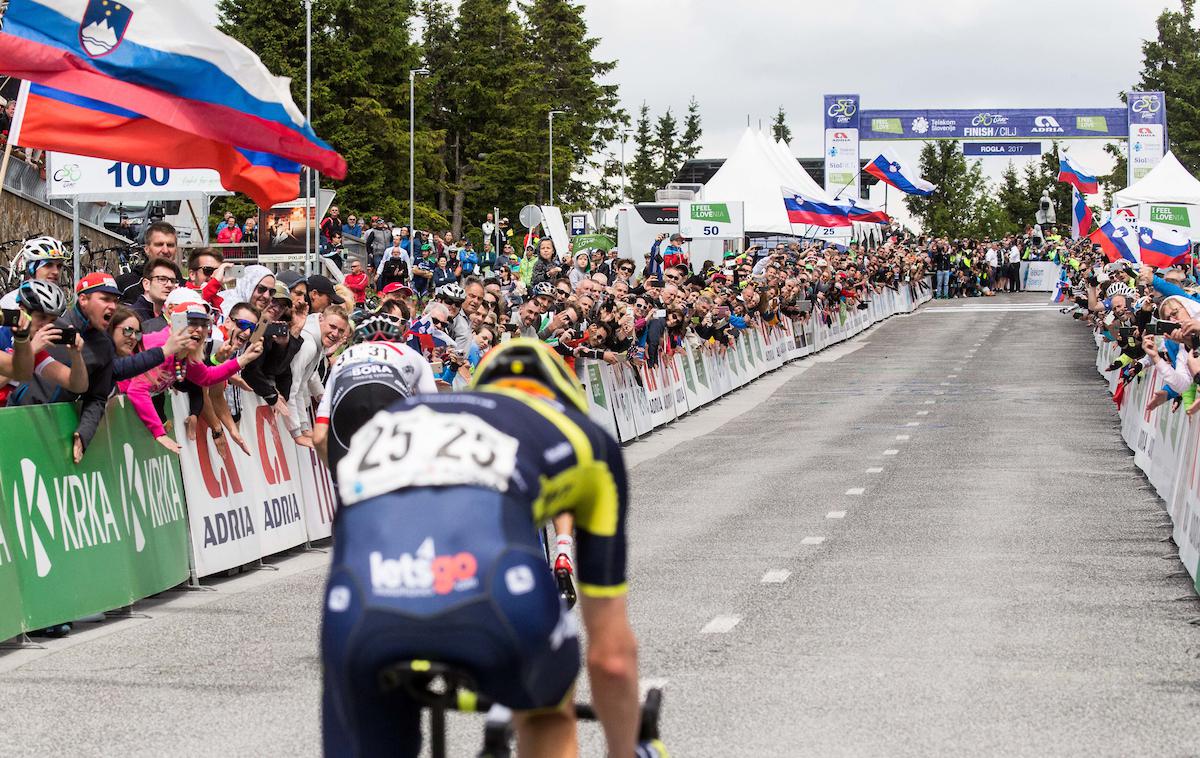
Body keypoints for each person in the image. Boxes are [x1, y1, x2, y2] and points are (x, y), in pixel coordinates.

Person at [321, 339, 647, 758]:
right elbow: (612, 659)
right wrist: (625, 750)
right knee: (547, 711)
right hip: (498, 599)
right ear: (566, 398)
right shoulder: (584, 435)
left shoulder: (402, 414)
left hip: (362, 602)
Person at [311, 314, 436, 475]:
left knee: (351, 476)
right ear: (398, 340)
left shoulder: (343, 359)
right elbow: (432, 415)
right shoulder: (410, 354)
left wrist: (339, 477)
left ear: (360, 343)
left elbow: (319, 438)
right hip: (391, 391)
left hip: (349, 396)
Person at [117, 221, 178, 305]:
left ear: (176, 249)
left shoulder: (185, 288)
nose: (165, 250)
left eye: (170, 245)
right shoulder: (125, 284)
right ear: (147, 249)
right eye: (159, 245)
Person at [0, 236, 68, 309]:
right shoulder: (11, 303)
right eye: (48, 265)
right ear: (31, 268)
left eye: (59, 266)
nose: (56, 271)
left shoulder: (60, 301)